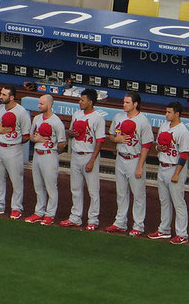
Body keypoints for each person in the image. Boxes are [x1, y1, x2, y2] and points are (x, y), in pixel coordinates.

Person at [105, 91, 153, 236]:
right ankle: (120, 223)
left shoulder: (143, 121)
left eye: (127, 102)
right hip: (120, 158)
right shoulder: (119, 117)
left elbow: (146, 145)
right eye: (124, 102)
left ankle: (138, 226)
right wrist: (116, 140)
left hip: (135, 159)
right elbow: (111, 135)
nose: (124, 104)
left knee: (138, 195)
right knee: (121, 193)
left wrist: (139, 166)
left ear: (135, 104)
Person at [60, 88, 106, 230]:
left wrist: (92, 160)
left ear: (90, 102)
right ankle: (75, 217)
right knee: (75, 188)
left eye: (82, 100)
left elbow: (99, 141)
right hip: (76, 154)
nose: (80, 102)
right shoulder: (77, 114)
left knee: (93, 191)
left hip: (88, 155)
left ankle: (93, 220)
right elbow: (72, 132)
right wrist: (69, 133)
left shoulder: (98, 117)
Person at [0, 86, 31, 220]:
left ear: (12, 97)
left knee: (16, 180)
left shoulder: (21, 112)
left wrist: (14, 141)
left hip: (13, 149)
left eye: (4, 95)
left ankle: (16, 208)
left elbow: (27, 135)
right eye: (1, 93)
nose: (1, 96)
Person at [148, 101, 189, 245]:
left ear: (177, 114)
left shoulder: (183, 131)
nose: (166, 114)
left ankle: (182, 234)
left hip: (175, 168)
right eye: (166, 112)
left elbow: (184, 155)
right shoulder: (164, 126)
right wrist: (158, 147)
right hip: (162, 166)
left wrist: (177, 174)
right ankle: (164, 230)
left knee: (178, 203)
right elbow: (157, 144)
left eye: (169, 112)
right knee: (164, 201)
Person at [26, 94, 67, 225]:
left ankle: (50, 215)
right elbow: (31, 136)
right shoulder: (37, 118)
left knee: (50, 187)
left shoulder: (56, 122)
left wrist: (53, 151)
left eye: (41, 104)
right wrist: (36, 139)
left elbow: (62, 143)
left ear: (49, 105)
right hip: (37, 155)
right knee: (38, 186)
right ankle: (39, 212)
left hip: (49, 155)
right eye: (39, 103)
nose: (39, 106)